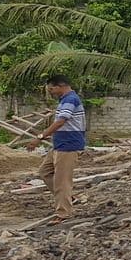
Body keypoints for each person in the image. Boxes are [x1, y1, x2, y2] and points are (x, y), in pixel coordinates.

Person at [31, 74, 85, 221]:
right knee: (45, 172)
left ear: (60, 85)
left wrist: (40, 137)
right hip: (59, 145)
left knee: (62, 182)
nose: (51, 92)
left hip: (68, 146)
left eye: (51, 89)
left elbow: (60, 122)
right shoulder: (64, 101)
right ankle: (69, 199)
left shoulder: (70, 100)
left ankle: (63, 213)